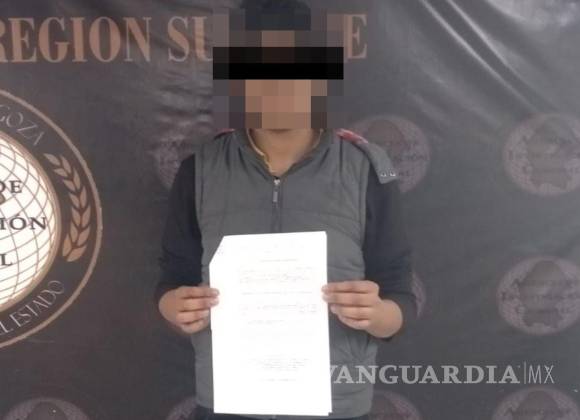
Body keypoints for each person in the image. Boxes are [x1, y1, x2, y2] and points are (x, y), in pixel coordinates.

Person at [155, 1, 418, 419]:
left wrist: (379, 314)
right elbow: (172, 282)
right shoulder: (200, 171)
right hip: (230, 404)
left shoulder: (366, 169)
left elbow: (398, 293)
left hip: (336, 406)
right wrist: (174, 307)